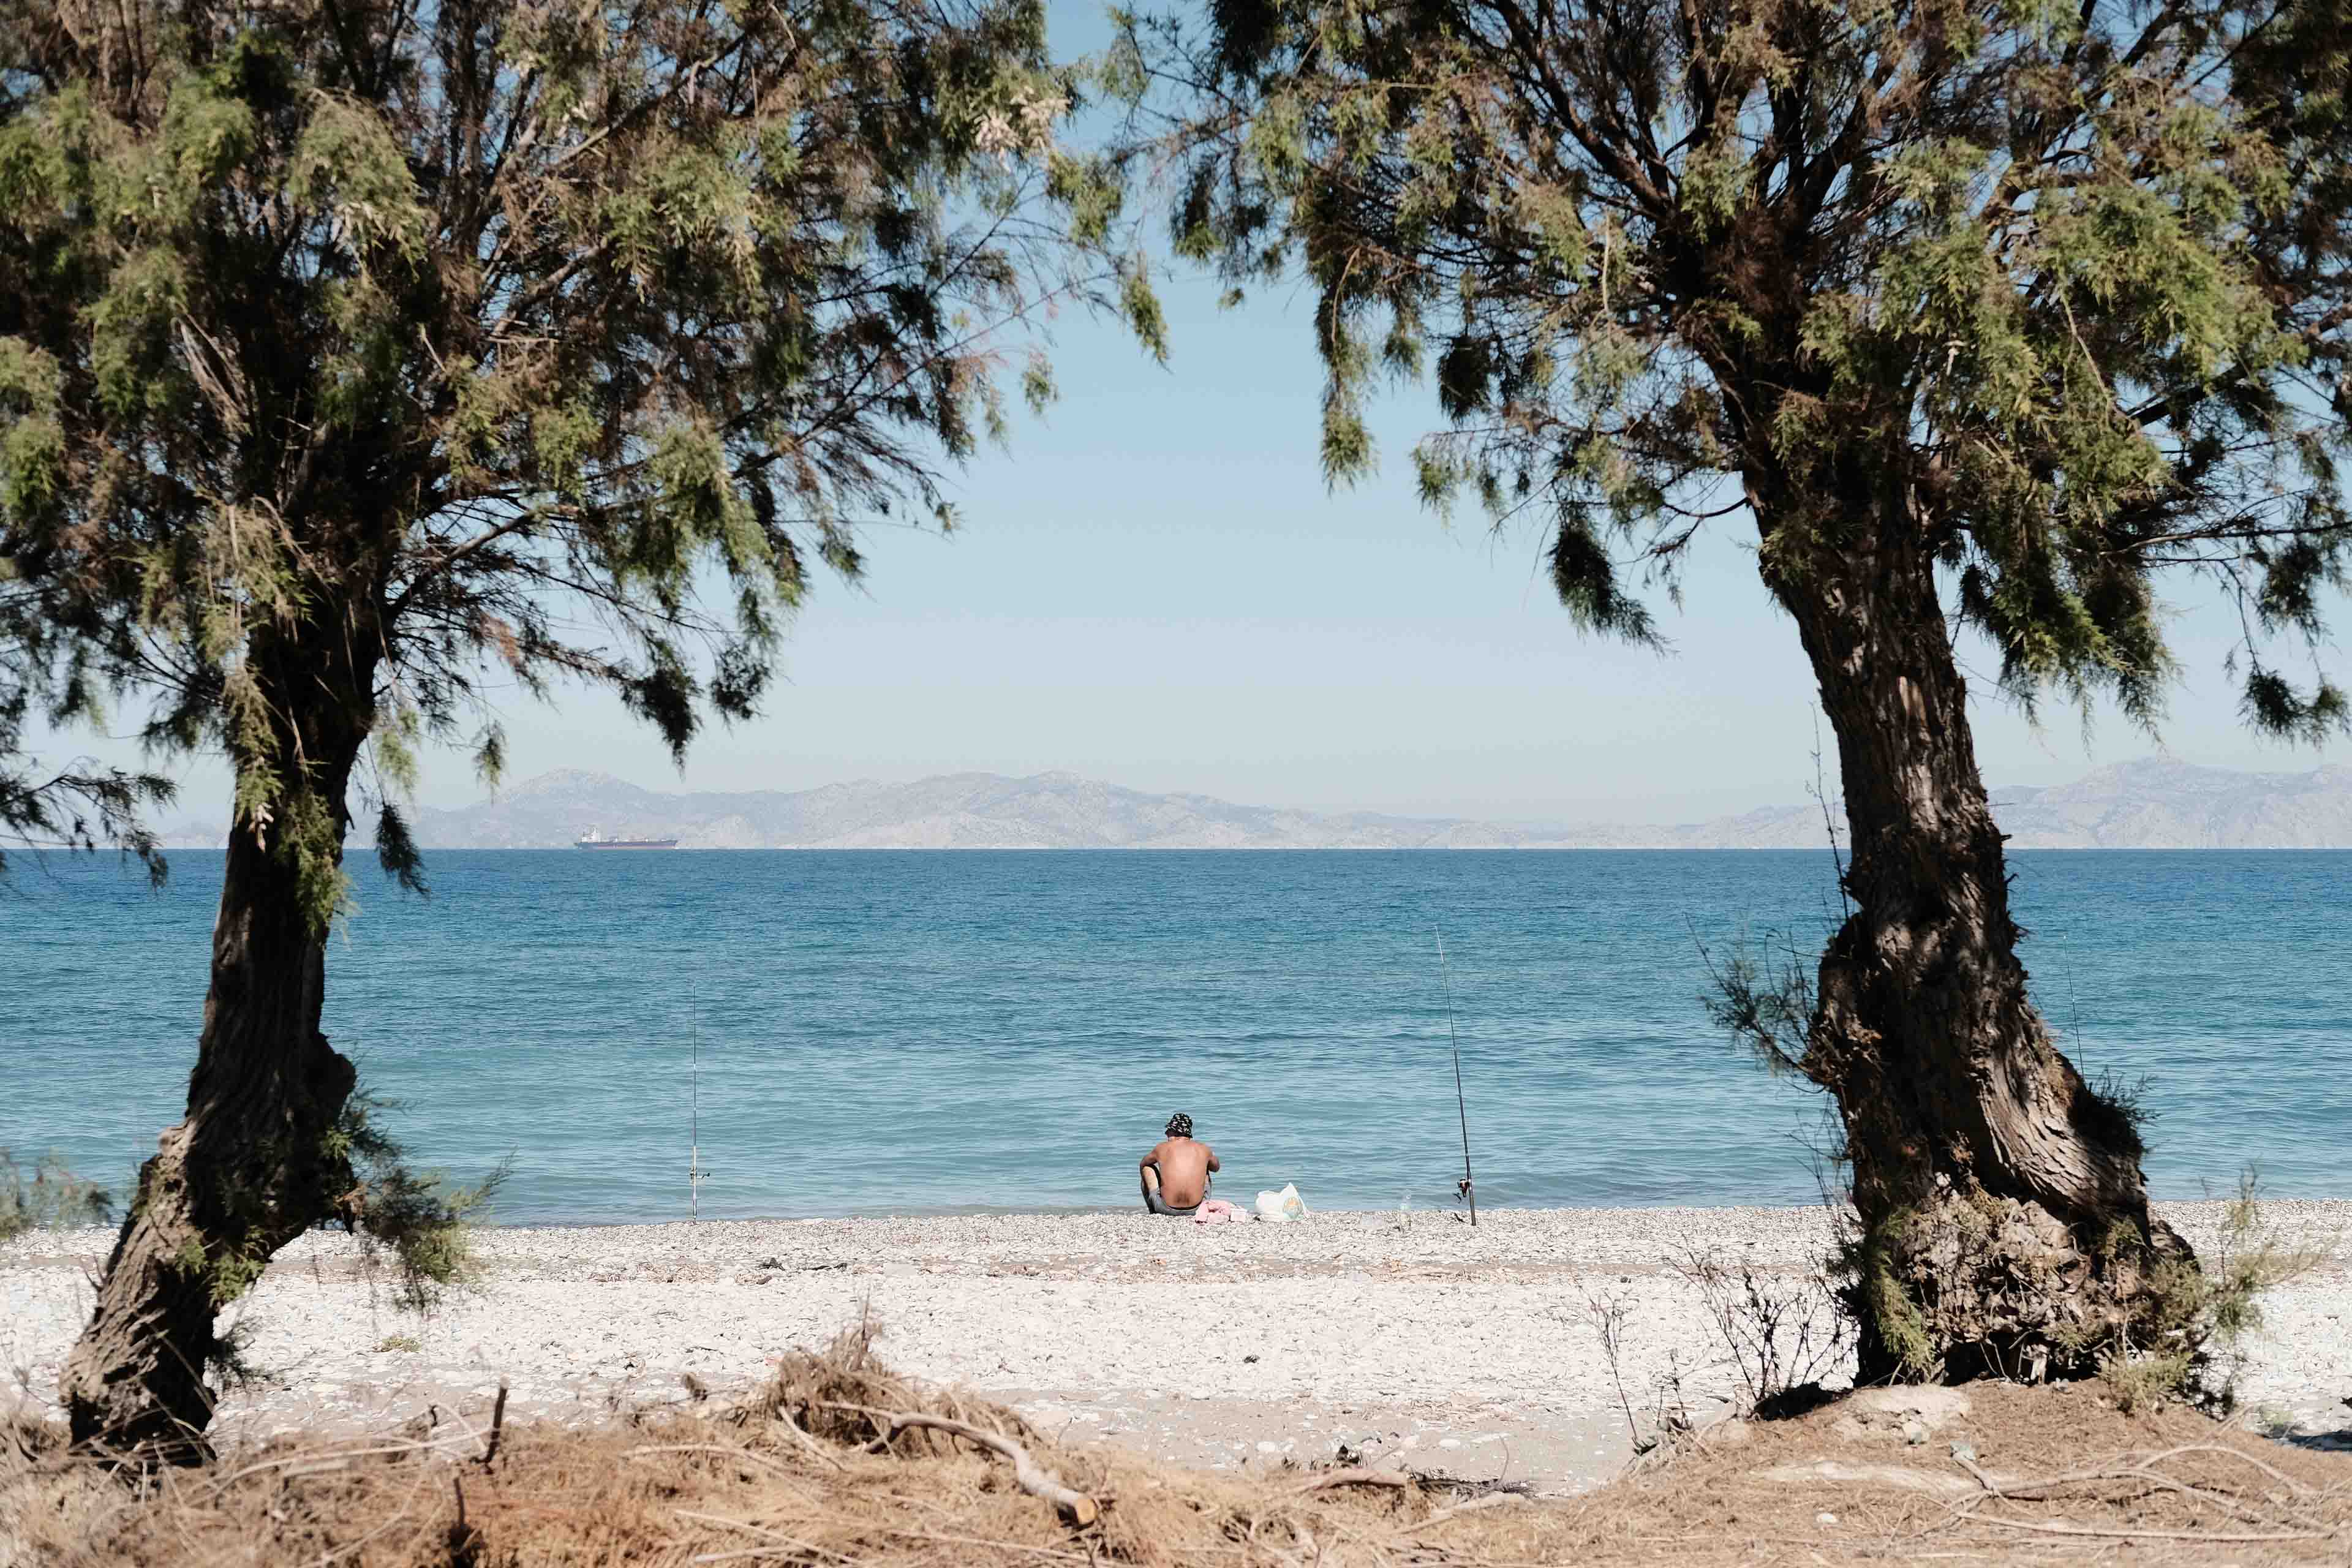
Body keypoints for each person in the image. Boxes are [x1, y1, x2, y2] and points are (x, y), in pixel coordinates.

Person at [1139, 1113, 1219, 1216]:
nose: (1166, 1133)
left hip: (1165, 1208)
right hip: (1198, 1209)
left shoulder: (1162, 1147)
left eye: (1169, 1130)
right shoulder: (1203, 1148)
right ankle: (1199, 1203)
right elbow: (1216, 1168)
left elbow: (1143, 1163)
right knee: (1206, 1168)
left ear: (1176, 1131)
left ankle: (1153, 1212)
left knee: (1147, 1167)